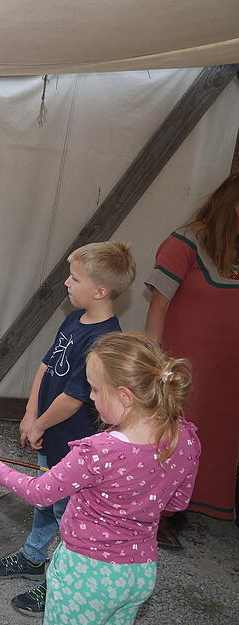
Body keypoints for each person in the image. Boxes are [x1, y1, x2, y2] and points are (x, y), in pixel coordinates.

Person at [0, 332, 201, 625]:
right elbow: (177, 503)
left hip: (87, 573)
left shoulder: (98, 451)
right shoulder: (186, 438)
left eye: (94, 389)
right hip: (140, 572)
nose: (90, 397)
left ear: (124, 396)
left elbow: (41, 493)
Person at [0, 241, 136, 616]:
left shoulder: (104, 339)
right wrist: (30, 413)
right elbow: (46, 366)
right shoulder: (74, 318)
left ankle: (58, 582)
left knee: (71, 517)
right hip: (49, 432)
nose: (67, 283)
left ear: (100, 291)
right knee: (46, 502)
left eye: (75, 278)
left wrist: (41, 423)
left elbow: (74, 398)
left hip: (74, 444)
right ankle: (35, 556)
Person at [145, 171, 239, 526]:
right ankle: (160, 511)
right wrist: (155, 363)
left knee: (219, 434)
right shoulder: (185, 242)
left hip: (227, 368)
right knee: (176, 433)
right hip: (184, 367)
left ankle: (193, 504)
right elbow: (158, 305)